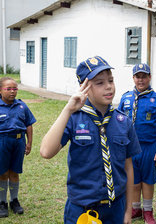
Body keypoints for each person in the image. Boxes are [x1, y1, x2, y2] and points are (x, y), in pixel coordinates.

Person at [40, 56, 141, 224]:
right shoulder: (73, 119)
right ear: (84, 88)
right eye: (99, 83)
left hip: (115, 208)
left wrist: (128, 211)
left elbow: (128, 168)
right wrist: (68, 110)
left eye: (110, 80)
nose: (108, 86)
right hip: (81, 209)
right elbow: (45, 151)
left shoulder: (123, 122)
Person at [118, 63, 156, 224]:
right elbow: (118, 121)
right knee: (133, 180)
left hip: (149, 147)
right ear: (133, 78)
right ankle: (136, 208)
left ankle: (148, 211)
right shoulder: (126, 98)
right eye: (137, 76)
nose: (141, 80)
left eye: (144, 76)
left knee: (147, 180)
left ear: (149, 77)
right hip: (130, 148)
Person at [0, 77, 36, 218]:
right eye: (8, 89)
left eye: (15, 88)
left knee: (14, 172)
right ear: (1, 90)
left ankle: (14, 200)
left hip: (18, 142)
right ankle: (2, 202)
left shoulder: (22, 106)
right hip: (2, 142)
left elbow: (29, 124)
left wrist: (29, 143)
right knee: (2, 173)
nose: (12, 92)